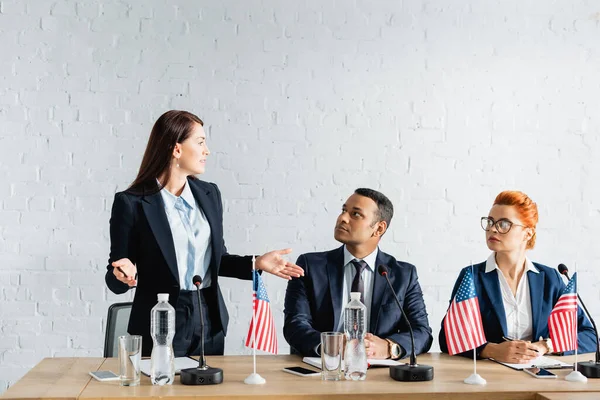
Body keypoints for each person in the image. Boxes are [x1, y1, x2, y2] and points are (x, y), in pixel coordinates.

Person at [105, 110, 304, 357]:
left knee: (208, 393)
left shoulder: (209, 194)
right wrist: (122, 274)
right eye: (200, 142)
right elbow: (114, 279)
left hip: (208, 317)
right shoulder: (132, 203)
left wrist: (256, 263)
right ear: (176, 149)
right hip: (160, 320)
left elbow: (217, 261)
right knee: (163, 391)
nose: (206, 150)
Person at [439, 190, 596, 362]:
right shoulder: (472, 276)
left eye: (503, 224)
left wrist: (545, 346)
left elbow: (590, 335)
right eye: (490, 222)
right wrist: (491, 350)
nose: (492, 228)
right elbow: (447, 338)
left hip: (539, 372)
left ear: (527, 233)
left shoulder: (550, 278)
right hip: (489, 376)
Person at [284, 188, 433, 359]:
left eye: (356, 214)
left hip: (380, 372)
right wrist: (333, 345)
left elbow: (422, 332)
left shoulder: (403, 275)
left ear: (378, 228)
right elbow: (294, 326)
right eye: (343, 210)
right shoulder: (310, 266)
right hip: (325, 367)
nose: (342, 218)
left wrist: (388, 347)